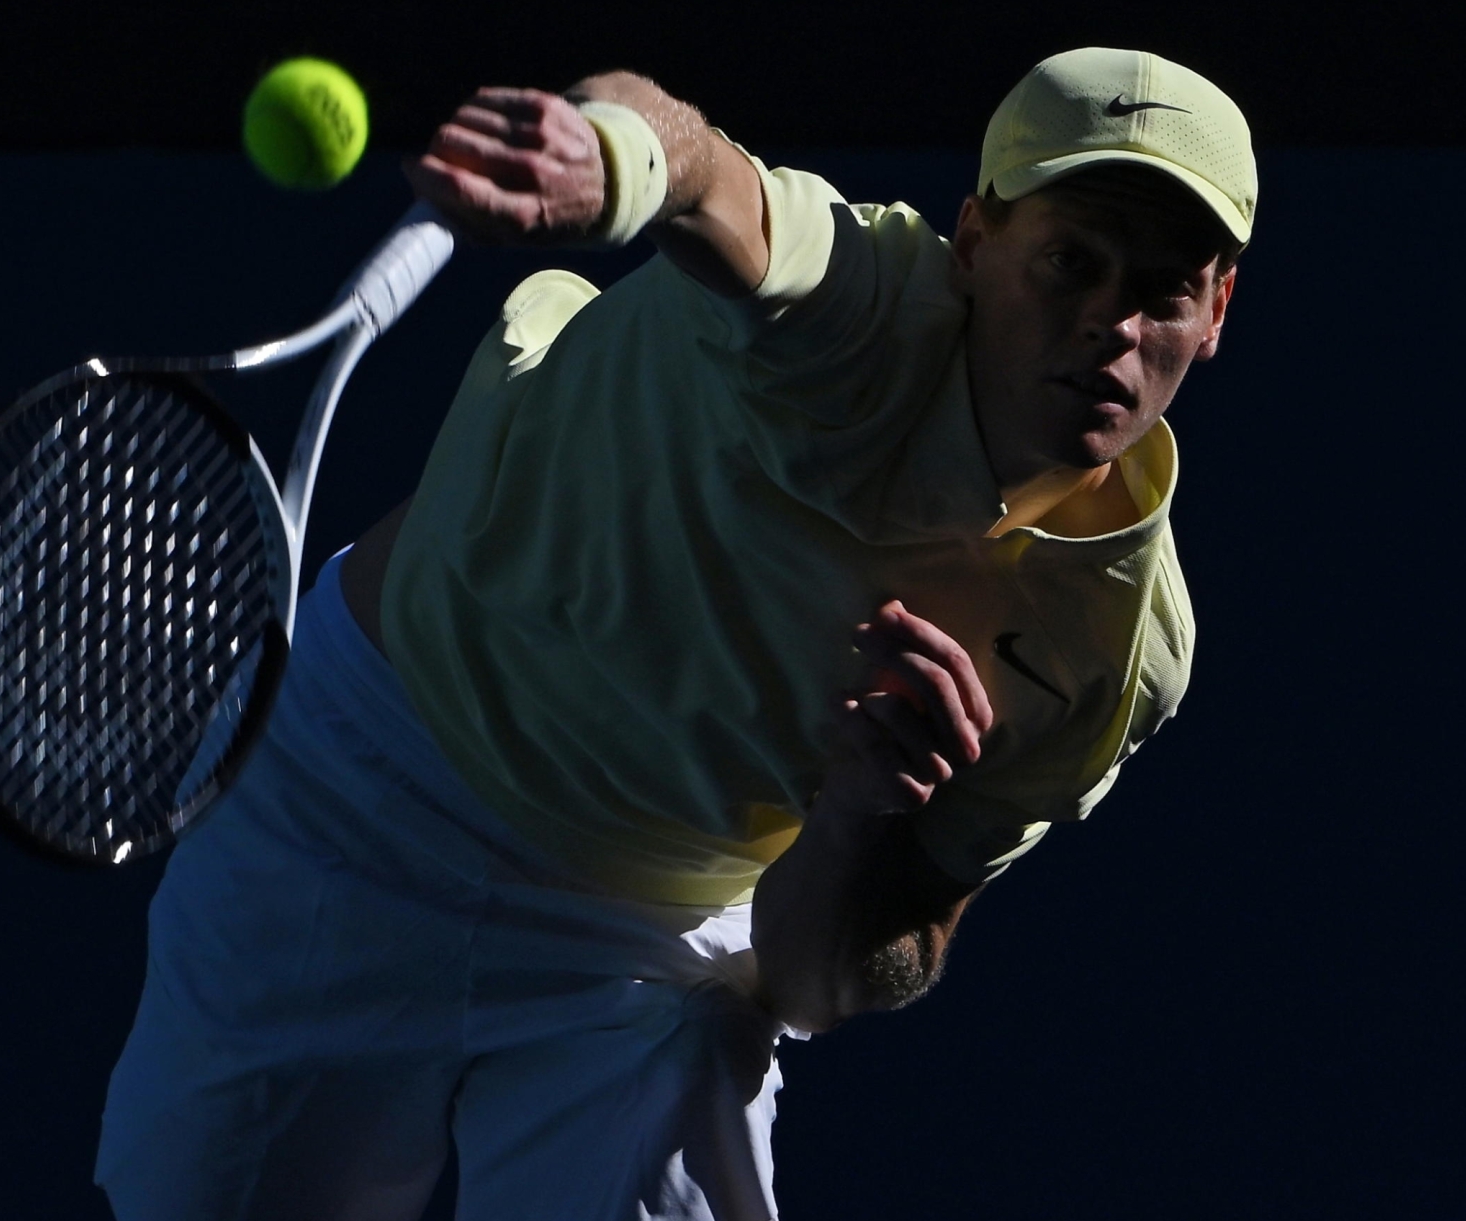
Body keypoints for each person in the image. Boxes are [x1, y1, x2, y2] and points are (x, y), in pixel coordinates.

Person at [96, 46, 1255, 1220]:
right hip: (358, 800)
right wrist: (607, 158)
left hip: (653, 944)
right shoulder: (853, 299)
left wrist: (865, 816)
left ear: (1214, 313)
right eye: (1069, 262)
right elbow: (697, 170)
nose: (1110, 324)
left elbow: (817, 980)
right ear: (972, 240)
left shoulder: (1113, 654)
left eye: (1162, 288)